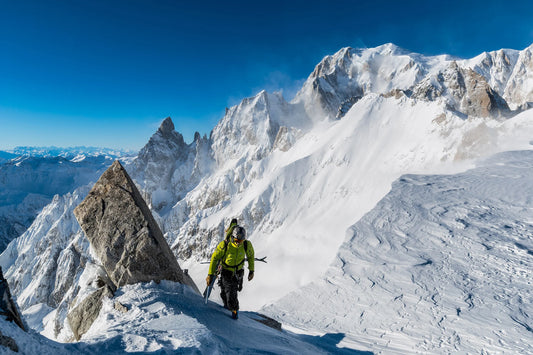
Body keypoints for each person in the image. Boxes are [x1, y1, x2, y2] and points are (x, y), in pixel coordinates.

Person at [206, 225, 254, 319]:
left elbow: (251, 256)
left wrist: (251, 271)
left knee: (232, 294)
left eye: (241, 241)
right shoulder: (225, 245)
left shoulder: (246, 245)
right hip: (226, 272)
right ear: (233, 237)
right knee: (224, 293)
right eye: (237, 241)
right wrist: (210, 274)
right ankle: (227, 306)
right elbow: (215, 258)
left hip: (238, 272)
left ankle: (234, 311)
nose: (239, 243)